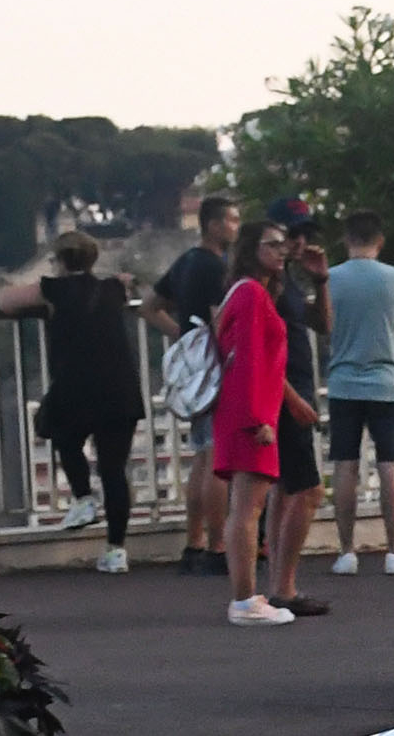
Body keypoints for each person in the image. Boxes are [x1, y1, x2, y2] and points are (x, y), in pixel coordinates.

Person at [0, 230, 145, 574]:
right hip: (120, 387)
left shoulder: (53, 290)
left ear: (59, 261)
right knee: (113, 469)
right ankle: (115, 550)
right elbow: (131, 286)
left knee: (61, 432)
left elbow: (5, 300)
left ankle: (82, 498)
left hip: (76, 385)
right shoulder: (112, 288)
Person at [322, 209, 394, 576]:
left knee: (345, 465)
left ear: (346, 239)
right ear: (379, 241)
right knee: (390, 466)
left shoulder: (329, 279)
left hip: (343, 381)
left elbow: (326, 325)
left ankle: (346, 551)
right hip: (386, 380)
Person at [141, 194, 239, 575]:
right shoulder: (215, 268)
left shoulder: (185, 262)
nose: (235, 226)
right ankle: (217, 547)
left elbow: (148, 306)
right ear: (213, 225)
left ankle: (194, 542)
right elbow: (221, 321)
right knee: (216, 456)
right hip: (216, 367)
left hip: (194, 371)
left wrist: (182, 338)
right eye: (231, 220)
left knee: (201, 454)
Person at [212, 221, 303, 626]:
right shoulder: (251, 294)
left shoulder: (246, 292)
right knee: (247, 508)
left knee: (246, 506)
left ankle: (246, 596)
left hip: (247, 412)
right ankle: (244, 599)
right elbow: (249, 358)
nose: (281, 251)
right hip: (251, 415)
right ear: (252, 249)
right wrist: (257, 419)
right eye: (272, 245)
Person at [260, 196, 331, 616]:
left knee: (285, 490)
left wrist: (321, 282)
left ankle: (278, 585)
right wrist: (292, 397)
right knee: (307, 490)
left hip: (293, 388)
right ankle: (284, 588)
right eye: (294, 234)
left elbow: (322, 325)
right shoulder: (268, 284)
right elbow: (262, 346)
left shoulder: (288, 280)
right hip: (287, 392)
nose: (302, 242)